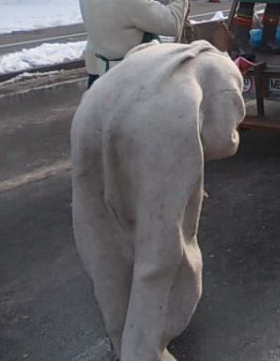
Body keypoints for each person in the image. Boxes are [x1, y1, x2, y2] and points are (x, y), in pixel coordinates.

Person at [71, 40, 244, 361]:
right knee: (162, 247)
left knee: (102, 237)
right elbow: (221, 140)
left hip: (92, 109)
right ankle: (144, 351)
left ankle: (121, 336)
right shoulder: (226, 72)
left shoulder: (155, 50)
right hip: (163, 118)